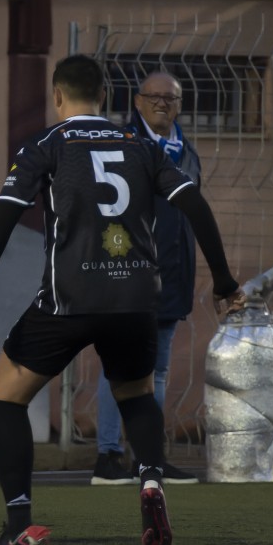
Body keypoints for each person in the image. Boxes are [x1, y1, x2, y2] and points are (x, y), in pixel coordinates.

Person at [0, 55, 245, 545]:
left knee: (5, 398)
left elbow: (4, 215)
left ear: (57, 96)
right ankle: (151, 482)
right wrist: (224, 281)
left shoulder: (46, 145)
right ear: (106, 97)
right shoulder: (139, 145)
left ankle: (19, 526)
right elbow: (194, 204)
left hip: (70, 297)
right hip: (135, 301)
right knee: (134, 395)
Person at [92, 72, 201, 486]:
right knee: (117, 369)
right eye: (154, 96)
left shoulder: (187, 153)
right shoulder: (120, 146)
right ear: (136, 102)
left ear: (180, 104)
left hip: (171, 278)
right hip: (127, 276)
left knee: (156, 372)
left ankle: (147, 458)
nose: (162, 103)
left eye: (170, 98)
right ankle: (107, 457)